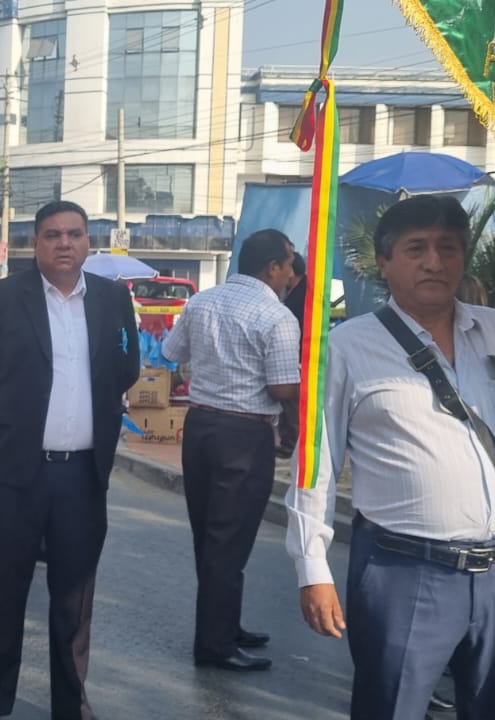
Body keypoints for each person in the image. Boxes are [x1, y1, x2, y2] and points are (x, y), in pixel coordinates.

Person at [285, 195, 495, 720]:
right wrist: (311, 567)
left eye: (448, 247)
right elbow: (316, 462)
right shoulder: (347, 348)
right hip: (403, 571)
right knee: (391, 708)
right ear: (384, 263)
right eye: (416, 249)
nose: (434, 261)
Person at [0, 200, 140, 720]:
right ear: (35, 243)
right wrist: (15, 410)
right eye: (53, 235)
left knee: (74, 600)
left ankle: (70, 705)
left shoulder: (111, 298)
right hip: (20, 473)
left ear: (88, 243)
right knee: (4, 591)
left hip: (83, 475)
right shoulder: (2, 298)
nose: (64, 243)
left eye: (74, 234)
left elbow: (126, 366)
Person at [161, 230, 301, 672]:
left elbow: (171, 352)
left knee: (210, 535)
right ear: (272, 267)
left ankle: (224, 625)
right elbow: (282, 388)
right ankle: (215, 644)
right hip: (243, 434)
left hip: (201, 426)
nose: (292, 274)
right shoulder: (276, 316)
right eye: (289, 265)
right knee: (230, 539)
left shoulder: (201, 301)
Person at [277, 252, 308, 459]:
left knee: (292, 400)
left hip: (299, 352)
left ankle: (292, 442)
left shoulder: (303, 293)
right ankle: (289, 440)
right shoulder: (293, 292)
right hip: (292, 351)